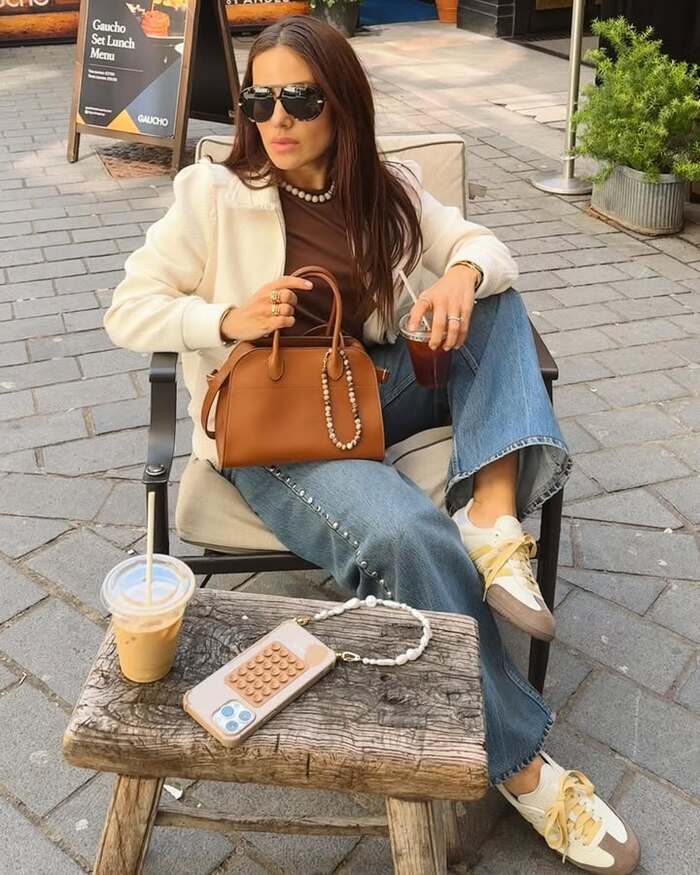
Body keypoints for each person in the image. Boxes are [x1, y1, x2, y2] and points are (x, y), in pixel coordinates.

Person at [103, 16, 640, 873]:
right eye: (259, 100)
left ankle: (494, 519)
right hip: (275, 429)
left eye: (300, 98)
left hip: (364, 385)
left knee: (493, 299)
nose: (277, 119)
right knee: (406, 535)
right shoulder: (212, 194)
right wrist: (226, 318)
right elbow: (127, 308)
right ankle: (522, 767)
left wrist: (458, 275)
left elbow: (483, 247)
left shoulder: (388, 186)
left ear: (343, 104)